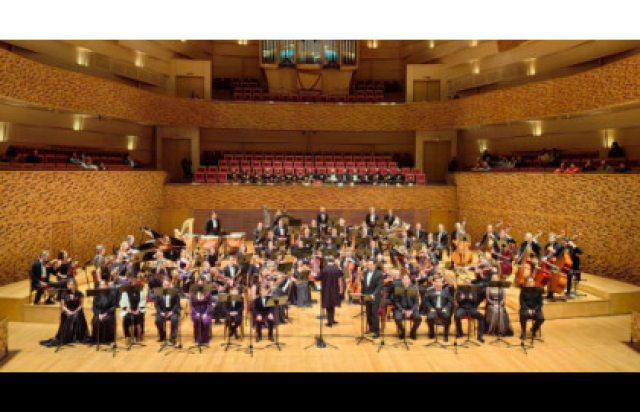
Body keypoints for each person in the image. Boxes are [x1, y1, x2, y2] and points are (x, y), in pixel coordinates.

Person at [40, 278, 90, 347]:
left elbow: (81, 305)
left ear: (75, 285)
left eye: (72, 284)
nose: (70, 286)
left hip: (77, 310)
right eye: (69, 284)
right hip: (68, 310)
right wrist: (69, 311)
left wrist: (75, 311)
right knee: (67, 315)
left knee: (77, 316)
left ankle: (77, 337)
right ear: (67, 285)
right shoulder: (64, 294)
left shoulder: (80, 294)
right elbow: (63, 306)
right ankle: (67, 336)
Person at [454, 278, 485, 342]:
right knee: (457, 316)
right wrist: (462, 299)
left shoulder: (474, 290)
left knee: (481, 317)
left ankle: (480, 336)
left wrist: (471, 298)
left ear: (470, 283)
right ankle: (460, 332)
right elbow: (458, 301)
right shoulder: (460, 290)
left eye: (468, 283)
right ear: (464, 283)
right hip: (462, 308)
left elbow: (475, 300)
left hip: (472, 309)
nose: (467, 284)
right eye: (466, 282)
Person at [392, 274, 422, 340]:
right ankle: (403, 331)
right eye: (404, 279)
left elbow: (416, 302)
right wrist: (402, 310)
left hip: (411, 309)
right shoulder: (398, 289)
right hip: (401, 308)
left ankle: (413, 332)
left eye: (407, 279)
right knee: (397, 318)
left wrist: (411, 310)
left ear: (409, 280)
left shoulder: (414, 289)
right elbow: (396, 301)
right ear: (402, 281)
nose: (405, 280)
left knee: (418, 318)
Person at [315, 258, 343, 327]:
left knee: (328, 306)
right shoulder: (336, 269)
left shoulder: (324, 269)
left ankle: (329, 322)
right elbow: (342, 273)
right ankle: (332, 320)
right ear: (333, 262)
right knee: (332, 306)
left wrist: (314, 275)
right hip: (335, 290)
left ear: (327, 261)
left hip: (326, 290)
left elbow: (318, 278)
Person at [425, 277, 453, 342]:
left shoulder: (446, 291)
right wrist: (430, 308)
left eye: (440, 282)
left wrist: (446, 308)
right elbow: (426, 301)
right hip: (434, 309)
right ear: (434, 283)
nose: (438, 283)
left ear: (442, 284)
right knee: (430, 317)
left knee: (447, 316)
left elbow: (450, 301)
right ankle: (432, 332)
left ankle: (446, 334)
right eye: (437, 282)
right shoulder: (430, 291)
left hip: (443, 309)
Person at [155, 279, 181, 345]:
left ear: (169, 285)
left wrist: (172, 312)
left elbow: (177, 304)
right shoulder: (158, 292)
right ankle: (162, 336)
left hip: (172, 311)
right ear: (162, 285)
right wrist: (161, 312)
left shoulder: (174, 292)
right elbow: (156, 305)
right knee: (158, 320)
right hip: (162, 311)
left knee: (174, 320)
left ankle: (172, 338)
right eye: (164, 284)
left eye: (167, 285)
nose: (166, 286)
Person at [90, 280, 117, 344]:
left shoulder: (112, 294)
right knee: (96, 320)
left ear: (107, 286)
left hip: (108, 313)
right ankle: (97, 339)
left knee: (106, 320)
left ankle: (106, 340)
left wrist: (105, 314)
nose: (102, 286)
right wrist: (99, 314)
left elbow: (113, 306)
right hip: (99, 313)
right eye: (100, 285)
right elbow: (94, 307)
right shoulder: (96, 295)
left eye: (103, 285)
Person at [361, 260, 383, 338]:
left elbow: (379, 286)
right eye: (368, 264)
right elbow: (364, 285)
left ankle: (377, 331)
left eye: (370, 264)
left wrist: (374, 294)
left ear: (374, 265)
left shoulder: (379, 274)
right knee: (368, 313)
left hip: (375, 297)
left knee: (374, 314)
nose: (369, 266)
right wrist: (362, 295)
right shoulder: (365, 273)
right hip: (367, 296)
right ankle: (371, 328)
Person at [190, 280, 213, 345]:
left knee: (206, 321)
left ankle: (205, 340)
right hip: (196, 312)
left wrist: (206, 313)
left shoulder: (208, 293)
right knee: (197, 320)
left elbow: (209, 305)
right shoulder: (192, 294)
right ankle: (197, 339)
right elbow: (191, 305)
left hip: (205, 312)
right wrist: (196, 313)